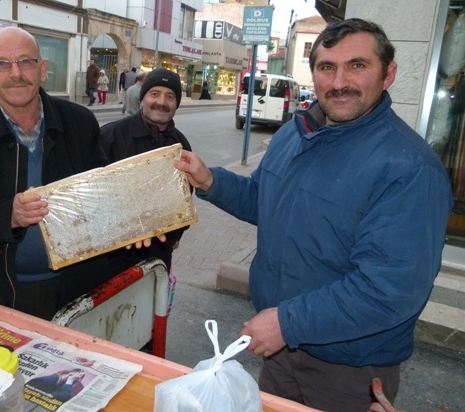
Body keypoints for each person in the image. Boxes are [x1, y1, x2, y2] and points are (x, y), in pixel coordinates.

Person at [174, 18, 453, 411]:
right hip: (281, 352)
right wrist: (209, 181)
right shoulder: (295, 133)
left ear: (387, 74)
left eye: (357, 65)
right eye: (326, 67)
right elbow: (263, 200)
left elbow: (389, 289)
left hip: (347, 371)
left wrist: (288, 323)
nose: (339, 82)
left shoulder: (408, 168)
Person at [0, 27, 117, 320]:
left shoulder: (80, 122)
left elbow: (101, 195)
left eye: (26, 61)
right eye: (2, 64)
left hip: (80, 289)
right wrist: (9, 214)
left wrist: (128, 222)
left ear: (42, 69)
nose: (15, 73)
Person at [101, 68, 192, 277]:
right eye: (154, 94)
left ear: (176, 104)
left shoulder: (181, 144)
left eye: (170, 96)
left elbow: (186, 196)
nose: (162, 101)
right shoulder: (111, 136)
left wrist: (177, 234)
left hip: (158, 257)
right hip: (113, 258)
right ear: (143, 99)